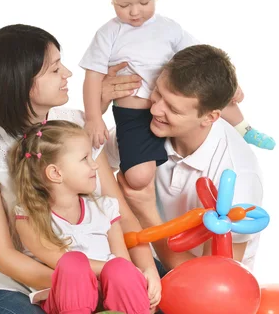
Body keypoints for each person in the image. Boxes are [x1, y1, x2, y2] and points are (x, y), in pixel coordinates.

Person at [0, 24, 183, 314]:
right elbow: (3, 255)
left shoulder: (74, 123)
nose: (68, 73)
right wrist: (77, 284)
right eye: (54, 68)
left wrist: (145, 269)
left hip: (103, 275)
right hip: (26, 287)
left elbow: (118, 211)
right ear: (21, 82)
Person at [80, 0, 274, 193]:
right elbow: (92, 78)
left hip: (171, 105)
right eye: (124, 4)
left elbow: (206, 57)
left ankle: (244, 129)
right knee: (139, 177)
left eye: (144, 1)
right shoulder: (109, 33)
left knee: (213, 92)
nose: (135, 11)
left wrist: (232, 83)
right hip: (135, 116)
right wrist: (94, 117)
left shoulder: (169, 28)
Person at [8, 119, 177, 314]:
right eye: (85, 159)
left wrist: (139, 278)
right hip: (68, 299)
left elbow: (122, 261)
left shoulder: (104, 208)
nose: (95, 165)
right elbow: (56, 259)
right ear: (55, 172)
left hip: (111, 297)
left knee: (122, 270)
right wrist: (112, 267)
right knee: (73, 263)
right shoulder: (29, 216)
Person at [105, 44, 264, 273]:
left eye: (173, 108)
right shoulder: (149, 128)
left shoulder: (238, 177)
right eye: (157, 93)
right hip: (141, 261)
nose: (155, 110)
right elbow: (91, 155)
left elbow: (210, 280)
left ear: (210, 117)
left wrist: (146, 212)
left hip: (205, 287)